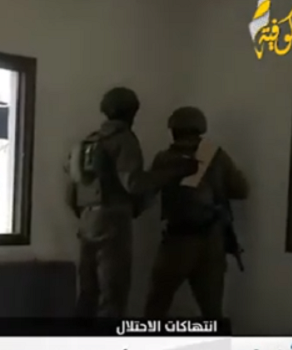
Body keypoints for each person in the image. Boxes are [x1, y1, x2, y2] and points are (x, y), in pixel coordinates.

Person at [65, 87, 198, 318]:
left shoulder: (91, 140)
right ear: (132, 112)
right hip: (113, 221)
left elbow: (72, 191)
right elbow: (134, 183)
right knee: (113, 295)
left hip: (87, 221)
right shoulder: (124, 139)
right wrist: (172, 172)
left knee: (88, 293)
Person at [143, 107, 250, 319]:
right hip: (210, 241)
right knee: (212, 312)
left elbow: (146, 191)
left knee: (155, 308)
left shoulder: (163, 158)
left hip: (176, 241)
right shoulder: (215, 155)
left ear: (173, 130)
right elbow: (241, 190)